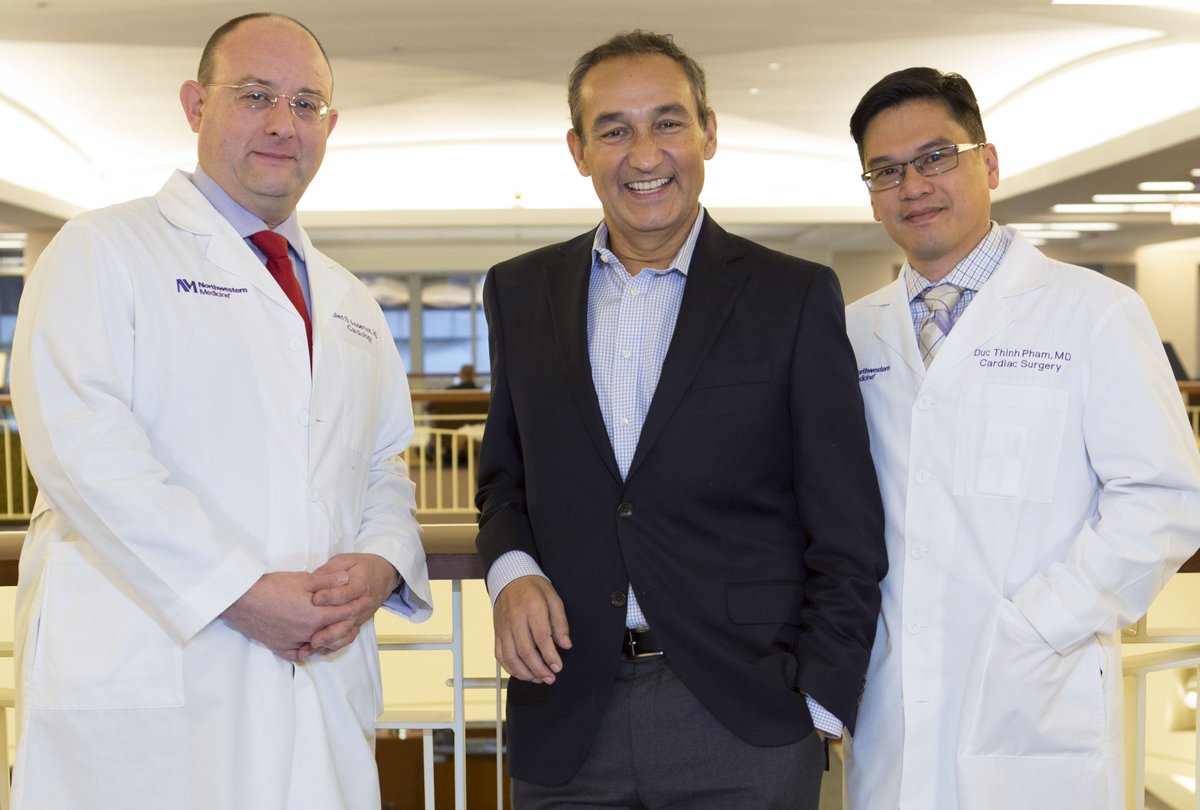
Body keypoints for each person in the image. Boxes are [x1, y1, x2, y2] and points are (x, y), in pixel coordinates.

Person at [9, 13, 431, 810]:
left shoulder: (348, 301)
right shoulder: (102, 250)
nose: (282, 123)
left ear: (330, 126)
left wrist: (381, 564)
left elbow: (383, 464)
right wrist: (239, 592)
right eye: (255, 95)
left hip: (319, 683)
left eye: (305, 104)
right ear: (195, 105)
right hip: (158, 678)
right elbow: (82, 452)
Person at [475, 30, 887, 808]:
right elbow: (504, 480)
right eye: (614, 130)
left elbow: (845, 522)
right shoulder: (519, 292)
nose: (644, 154)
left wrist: (821, 703)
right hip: (566, 711)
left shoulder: (792, 296)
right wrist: (512, 572)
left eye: (667, 122)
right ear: (578, 150)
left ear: (709, 132)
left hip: (744, 718)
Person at [842, 66, 1200, 809]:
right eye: (887, 170)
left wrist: (1043, 623)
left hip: (1037, 686)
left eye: (937, 157)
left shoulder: (1094, 312)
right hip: (890, 697)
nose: (914, 185)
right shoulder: (852, 331)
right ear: (872, 194)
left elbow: (1165, 500)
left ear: (990, 163)